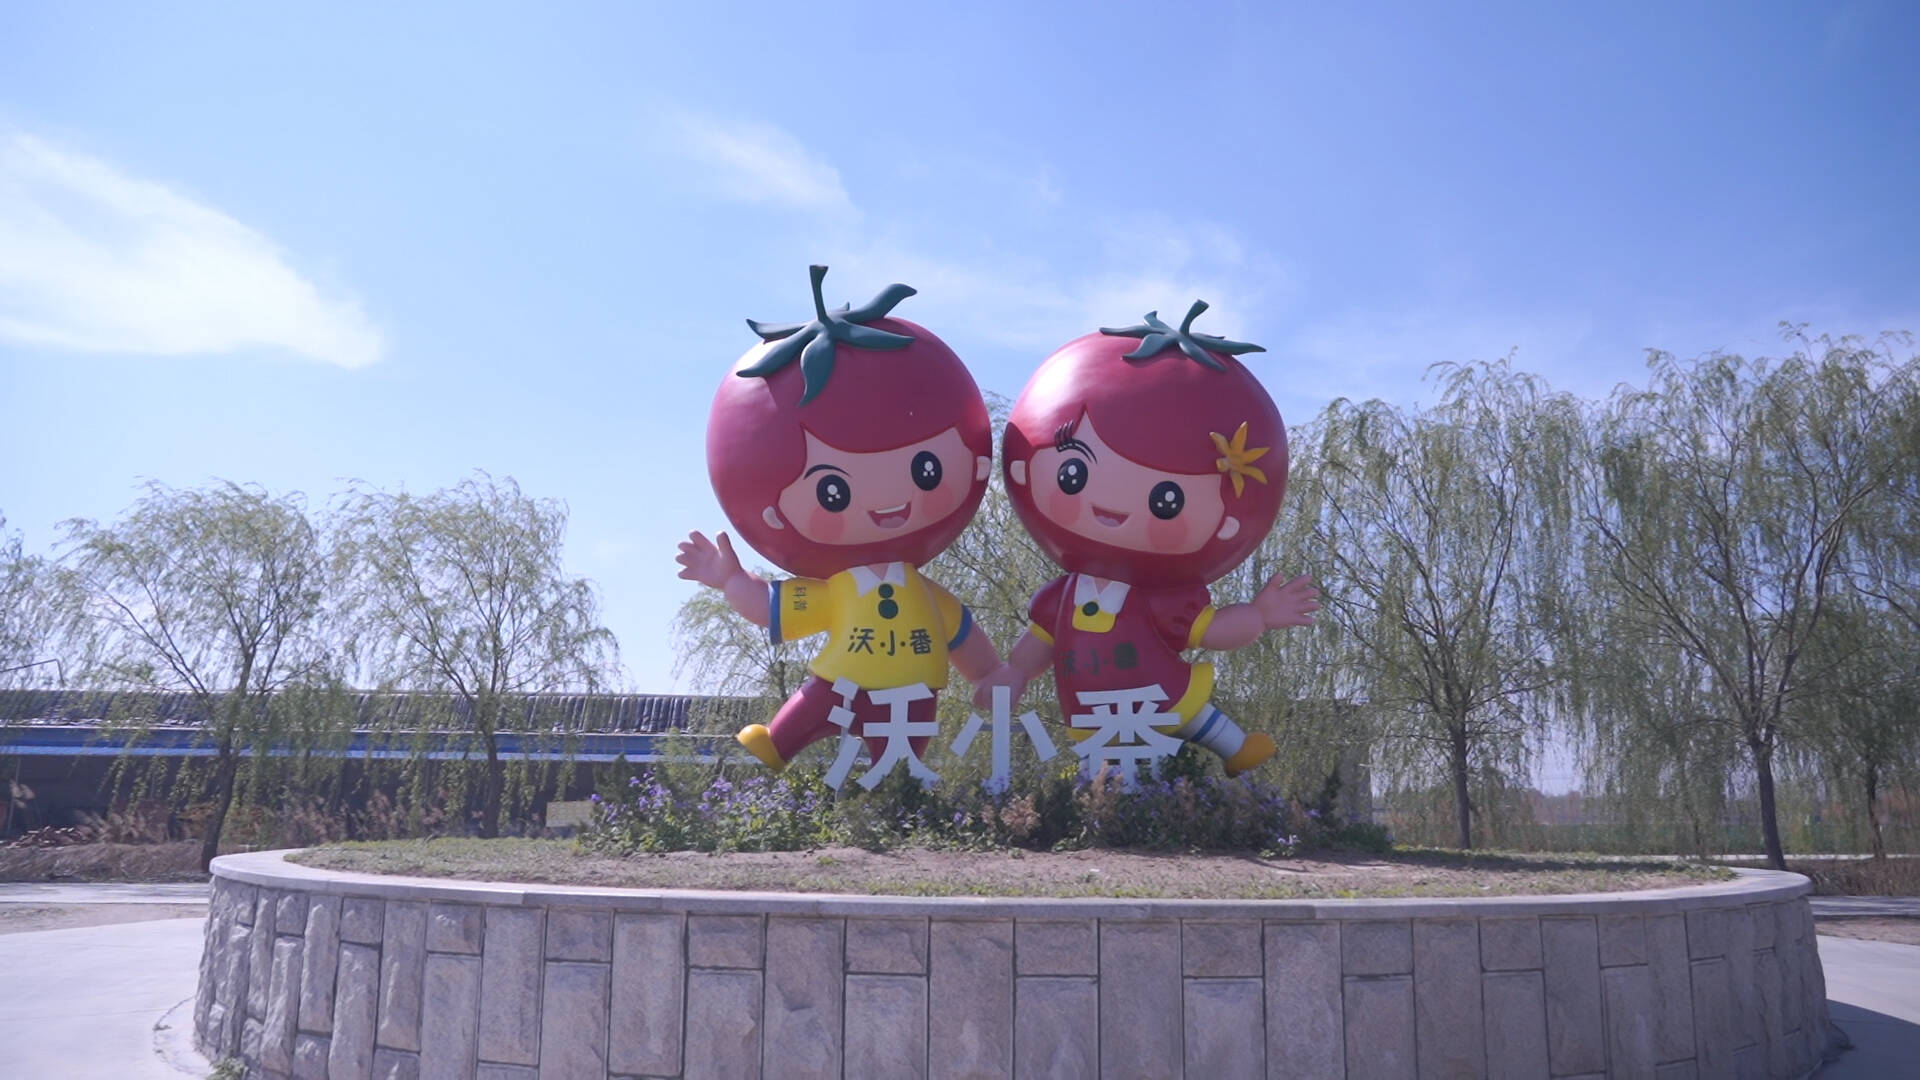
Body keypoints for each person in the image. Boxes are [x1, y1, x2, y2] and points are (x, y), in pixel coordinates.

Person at [678, 266, 1000, 772]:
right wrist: (731, 580)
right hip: (840, 680)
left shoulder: (925, 597)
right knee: (815, 704)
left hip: (913, 693)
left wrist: (989, 674)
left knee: (900, 748)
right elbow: (771, 607)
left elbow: (962, 635)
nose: (888, 500)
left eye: (926, 469)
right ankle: (778, 743)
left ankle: (895, 781)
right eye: (833, 491)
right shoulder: (839, 593)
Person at [980, 302, 1319, 777]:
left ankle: (1234, 749)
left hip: (1155, 689)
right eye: (1074, 473)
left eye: (1166, 501)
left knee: (1189, 715)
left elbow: (1209, 630)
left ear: (1226, 523)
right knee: (1110, 758)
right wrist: (1015, 672)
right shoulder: (1062, 599)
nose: (1110, 505)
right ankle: (1110, 796)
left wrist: (1258, 616)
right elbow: (1037, 643)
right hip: (1092, 705)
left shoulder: (1162, 600)